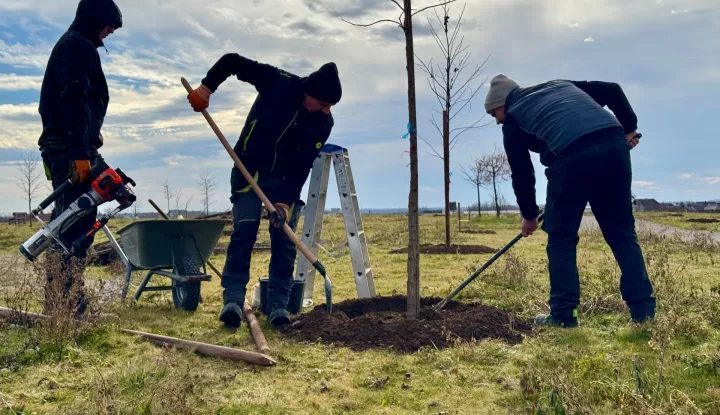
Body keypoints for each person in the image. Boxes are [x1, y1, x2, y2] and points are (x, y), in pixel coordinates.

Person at [484, 74, 655, 328]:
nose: (497, 121)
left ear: (502, 104)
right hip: (614, 145)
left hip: (571, 157)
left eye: (494, 114)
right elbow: (612, 90)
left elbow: (521, 172)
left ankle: (564, 316)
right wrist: (628, 127)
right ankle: (643, 315)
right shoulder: (561, 85)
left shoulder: (513, 118)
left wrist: (529, 216)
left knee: (561, 238)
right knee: (622, 233)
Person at [187, 54, 342, 328]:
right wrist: (205, 89)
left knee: (283, 240)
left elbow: (302, 165)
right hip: (249, 172)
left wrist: (284, 202)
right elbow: (232, 61)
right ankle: (232, 301)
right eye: (323, 104)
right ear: (308, 94)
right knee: (243, 234)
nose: (326, 110)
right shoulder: (278, 83)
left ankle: (278, 306)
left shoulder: (322, 124)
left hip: (284, 183)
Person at [37, 0, 123, 316]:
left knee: (69, 221)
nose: (111, 30)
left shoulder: (76, 44)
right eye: (110, 24)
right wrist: (80, 154)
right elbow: (73, 99)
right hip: (70, 149)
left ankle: (63, 303)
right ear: (94, 19)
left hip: (68, 147)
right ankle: (69, 307)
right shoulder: (77, 45)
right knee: (75, 222)